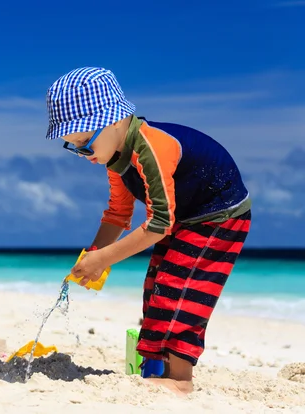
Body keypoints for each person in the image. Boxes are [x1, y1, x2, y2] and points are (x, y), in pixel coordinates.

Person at [45, 67, 252, 395]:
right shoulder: (114, 158)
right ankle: (157, 367)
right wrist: (96, 255)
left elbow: (157, 225)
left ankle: (180, 379)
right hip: (183, 216)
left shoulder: (150, 148)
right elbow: (118, 213)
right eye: (76, 148)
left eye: (85, 143)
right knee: (156, 285)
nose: (85, 155)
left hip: (219, 214)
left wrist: (104, 260)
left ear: (112, 120)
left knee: (180, 288)